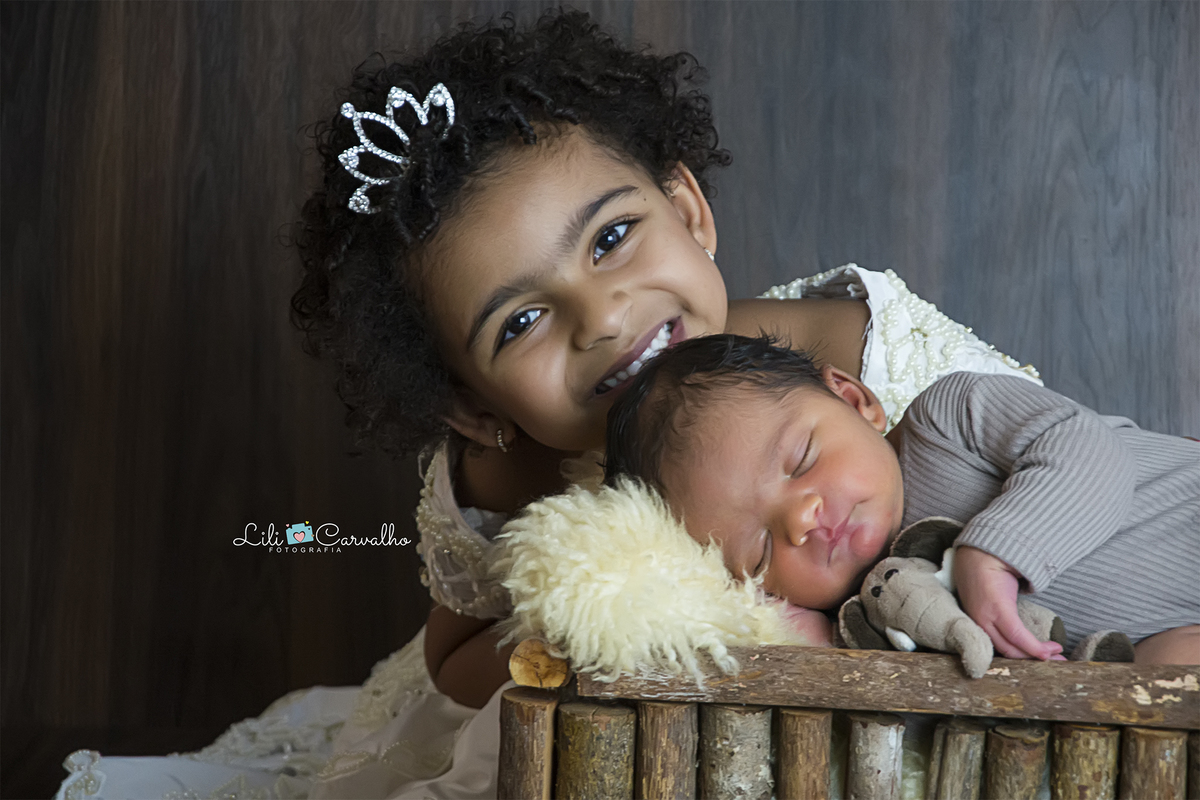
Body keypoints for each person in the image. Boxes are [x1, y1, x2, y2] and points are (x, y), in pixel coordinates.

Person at [54, 9, 1042, 799]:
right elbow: (453, 660)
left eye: (611, 239)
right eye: (521, 320)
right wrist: (617, 630)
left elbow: (1047, 473)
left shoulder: (851, 352)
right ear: (472, 405)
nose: (603, 317)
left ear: (687, 211)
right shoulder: (515, 463)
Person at [603, 333, 1200, 667]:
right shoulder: (873, 617)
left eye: (803, 460)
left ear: (853, 399)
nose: (802, 519)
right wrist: (801, 636)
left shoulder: (947, 421)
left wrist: (992, 554)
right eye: (760, 552)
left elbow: (1092, 451)